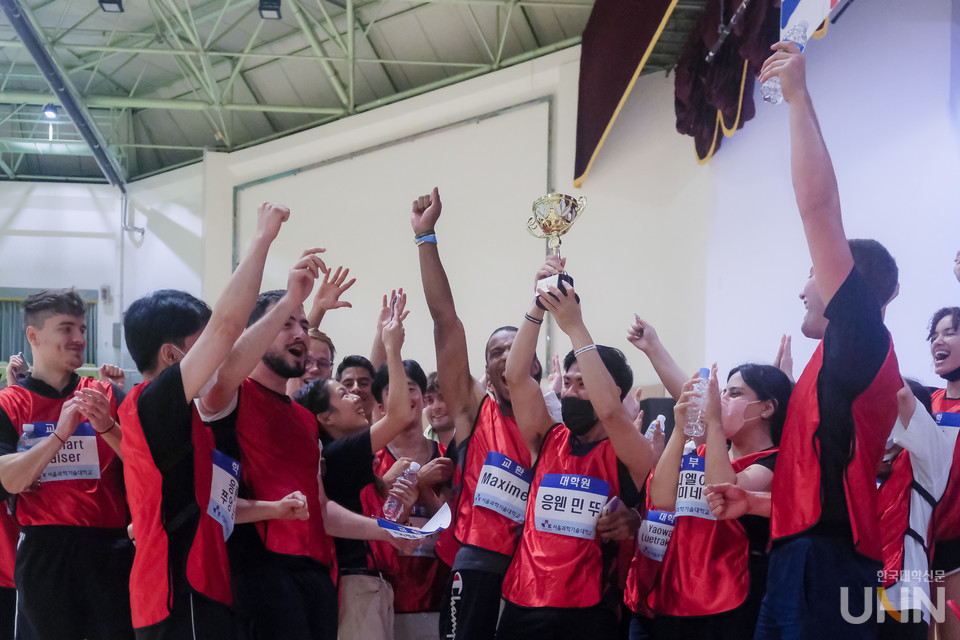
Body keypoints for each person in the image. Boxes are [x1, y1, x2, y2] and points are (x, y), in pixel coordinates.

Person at [708, 41, 903, 638]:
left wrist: (798, 98)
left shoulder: (861, 334)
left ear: (847, 285)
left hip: (834, 563)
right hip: (803, 552)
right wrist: (757, 505)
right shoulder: (829, 359)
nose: (802, 288)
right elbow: (821, 485)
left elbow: (819, 208)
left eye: (812, 274)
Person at [119, 203, 314, 639]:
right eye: (202, 342)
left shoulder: (183, 415)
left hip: (199, 588)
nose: (218, 351)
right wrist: (262, 239)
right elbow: (227, 326)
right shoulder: (151, 405)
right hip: (174, 591)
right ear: (171, 356)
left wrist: (289, 303)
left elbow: (236, 357)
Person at [197, 278, 413, 640]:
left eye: (302, 324)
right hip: (258, 573)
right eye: (286, 322)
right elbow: (226, 341)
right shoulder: (229, 395)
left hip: (317, 578)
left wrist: (387, 531)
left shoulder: (303, 419)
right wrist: (271, 249)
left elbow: (320, 508)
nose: (299, 333)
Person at [411, 187, 543, 640]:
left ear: (537, 363)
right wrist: (426, 237)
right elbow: (445, 320)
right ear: (486, 371)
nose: (507, 359)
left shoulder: (557, 431)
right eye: (496, 353)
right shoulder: (473, 409)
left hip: (541, 575)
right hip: (478, 565)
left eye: (516, 350)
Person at [495, 267, 653, 639]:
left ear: (611, 390)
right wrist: (538, 305)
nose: (571, 392)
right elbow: (516, 377)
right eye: (568, 382)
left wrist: (576, 327)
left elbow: (612, 412)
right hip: (523, 601)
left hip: (587, 612)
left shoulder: (630, 452)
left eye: (585, 384)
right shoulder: (547, 438)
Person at [0, 288, 131, 640]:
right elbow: (7, 480)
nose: (78, 339)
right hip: (45, 553)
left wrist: (108, 426)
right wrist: (58, 436)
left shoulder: (106, 396)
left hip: (109, 549)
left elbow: (144, 466)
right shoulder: (9, 403)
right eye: (66, 328)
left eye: (82, 329)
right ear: (33, 335)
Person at [293, 291, 423, 640]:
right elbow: (398, 413)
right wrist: (393, 349)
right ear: (326, 417)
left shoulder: (340, 453)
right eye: (344, 393)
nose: (357, 397)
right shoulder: (337, 453)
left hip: (368, 584)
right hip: (354, 585)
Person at [645, 363, 790, 639]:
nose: (721, 399)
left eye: (734, 393)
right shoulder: (700, 451)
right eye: (721, 391)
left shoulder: (776, 459)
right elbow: (662, 498)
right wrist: (680, 429)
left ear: (767, 408)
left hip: (733, 595)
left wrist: (714, 423)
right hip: (675, 592)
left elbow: (723, 488)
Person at [371, 359, 452, 640]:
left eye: (411, 389)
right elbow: (364, 528)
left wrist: (424, 489)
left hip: (441, 594)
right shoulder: (370, 461)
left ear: (423, 397)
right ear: (381, 406)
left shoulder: (447, 458)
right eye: (393, 391)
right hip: (384, 596)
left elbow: (457, 530)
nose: (404, 398)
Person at [876, 379, 952, 639]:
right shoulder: (861, 469)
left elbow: (903, 395)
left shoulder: (930, 458)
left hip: (900, 599)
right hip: (851, 592)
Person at [926, 306, 960, 639]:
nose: (938, 340)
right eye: (934, 334)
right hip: (918, 547)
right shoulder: (928, 403)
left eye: (950, 332)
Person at [337, 355, 378, 423]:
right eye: (348, 384)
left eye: (363, 383)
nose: (356, 388)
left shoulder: (390, 431)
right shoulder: (327, 432)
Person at [424, 372, 455, 450]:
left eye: (442, 398)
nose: (436, 407)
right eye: (429, 400)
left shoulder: (476, 436)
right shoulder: (421, 443)